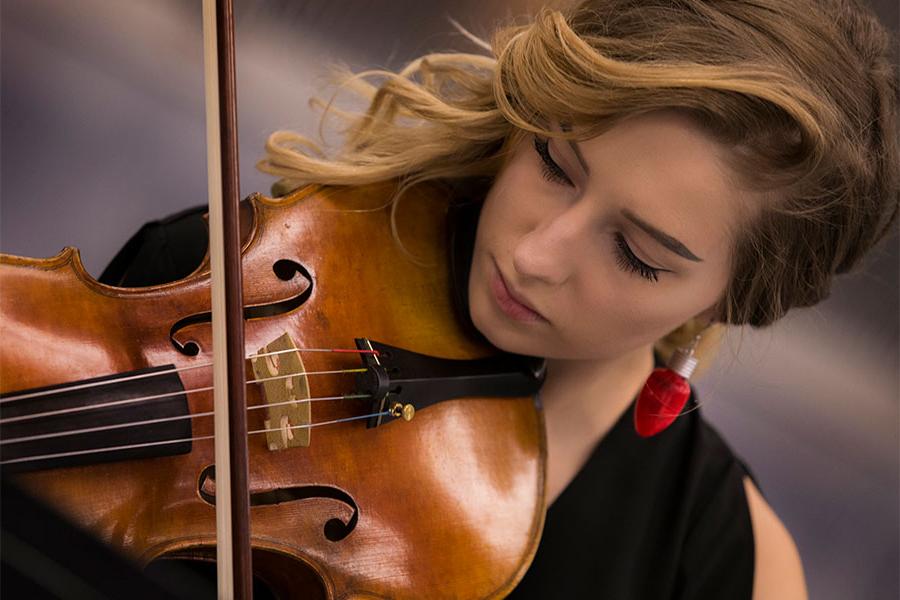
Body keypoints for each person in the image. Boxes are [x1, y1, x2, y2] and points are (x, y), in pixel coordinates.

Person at [100, 0, 898, 597]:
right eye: (554, 162)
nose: (534, 253)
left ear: (733, 301)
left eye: (636, 253)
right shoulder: (221, 295)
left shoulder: (730, 569)